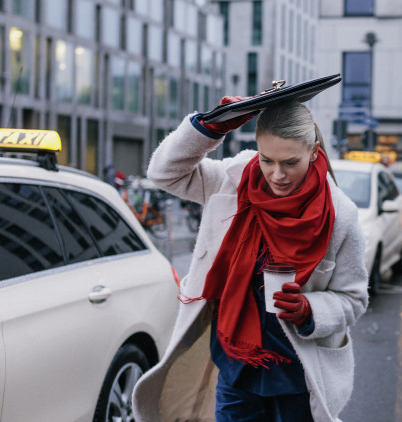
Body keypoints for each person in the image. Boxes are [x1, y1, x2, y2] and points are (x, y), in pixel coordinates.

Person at [132, 96, 369, 422]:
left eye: (290, 163)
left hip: (298, 376)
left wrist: (308, 310)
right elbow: (164, 173)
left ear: (314, 152)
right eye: (267, 160)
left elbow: (353, 299)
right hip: (234, 366)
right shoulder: (234, 178)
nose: (277, 175)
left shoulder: (340, 215)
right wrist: (212, 126)